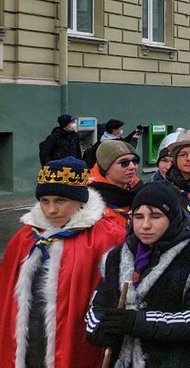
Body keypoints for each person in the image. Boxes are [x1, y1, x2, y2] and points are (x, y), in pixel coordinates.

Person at [0, 157, 125, 368]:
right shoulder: (25, 237)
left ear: (80, 201)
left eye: (60, 200)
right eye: (45, 201)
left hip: (76, 344)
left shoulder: (107, 236)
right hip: (28, 345)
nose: (51, 210)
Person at [86, 182, 190, 366]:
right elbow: (96, 307)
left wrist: (138, 322)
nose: (145, 225)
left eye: (156, 216)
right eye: (138, 217)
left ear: (173, 217)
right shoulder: (116, 257)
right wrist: (102, 329)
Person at [88, 139, 143, 228]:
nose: (132, 167)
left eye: (135, 161)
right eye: (124, 163)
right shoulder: (90, 203)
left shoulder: (141, 192)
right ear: (106, 168)